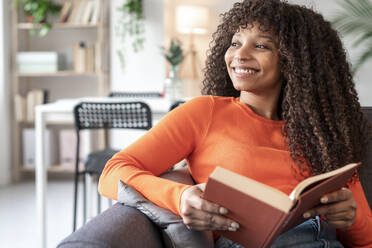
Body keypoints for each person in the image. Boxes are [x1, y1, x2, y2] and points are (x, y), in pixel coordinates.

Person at [98, 0, 372, 247]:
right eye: (235, 42)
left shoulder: (326, 136)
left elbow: (366, 240)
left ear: (295, 62)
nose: (239, 55)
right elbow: (113, 172)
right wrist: (180, 198)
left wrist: (351, 218)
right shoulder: (204, 113)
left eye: (261, 45)